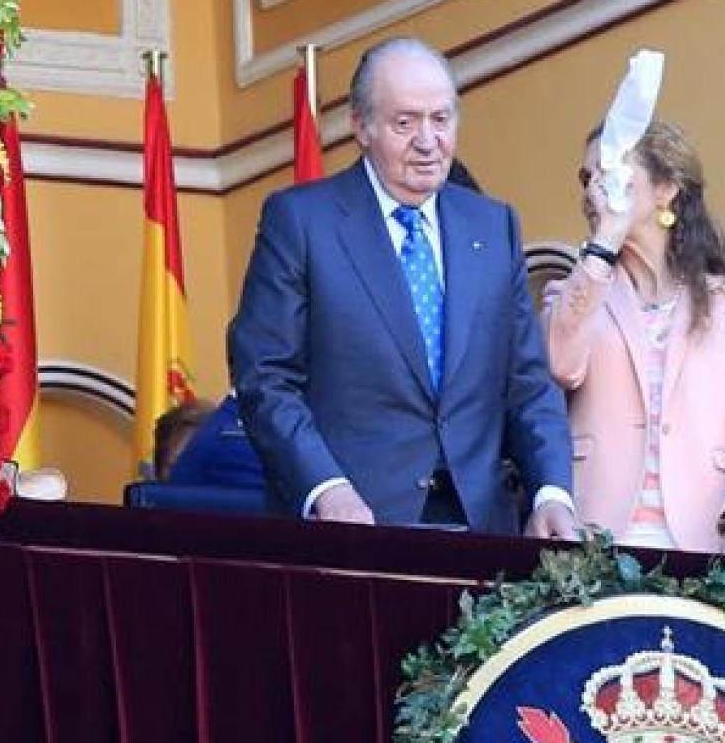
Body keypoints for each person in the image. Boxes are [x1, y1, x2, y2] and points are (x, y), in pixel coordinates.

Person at [229, 37, 576, 536]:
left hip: (481, 527)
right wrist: (325, 487)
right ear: (361, 127)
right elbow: (265, 377)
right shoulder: (301, 222)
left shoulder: (493, 225)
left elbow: (528, 381)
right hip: (354, 526)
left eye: (441, 119)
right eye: (405, 123)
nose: (428, 141)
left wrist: (551, 493)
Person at [543, 121, 725, 556]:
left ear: (666, 189)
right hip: (595, 542)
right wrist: (604, 243)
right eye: (587, 178)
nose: (594, 189)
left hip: (708, 540)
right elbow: (561, 365)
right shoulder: (574, 293)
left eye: (609, 171)